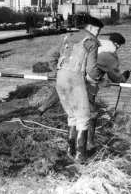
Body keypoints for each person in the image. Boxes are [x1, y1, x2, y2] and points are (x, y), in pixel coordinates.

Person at [37, 32, 130, 149]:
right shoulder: (111, 56)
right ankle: (88, 144)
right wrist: (125, 76)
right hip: (86, 84)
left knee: (68, 96)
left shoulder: (92, 43)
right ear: (117, 45)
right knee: (92, 114)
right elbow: (116, 78)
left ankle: (43, 107)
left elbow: (54, 55)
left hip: (68, 74)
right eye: (119, 46)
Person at [45, 16, 105, 163]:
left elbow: (50, 55)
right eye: (97, 30)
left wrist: (58, 72)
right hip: (75, 80)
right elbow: (91, 70)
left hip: (60, 78)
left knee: (72, 116)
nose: (98, 33)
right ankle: (81, 156)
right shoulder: (91, 42)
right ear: (90, 28)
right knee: (84, 117)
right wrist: (100, 79)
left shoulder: (68, 37)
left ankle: (70, 150)